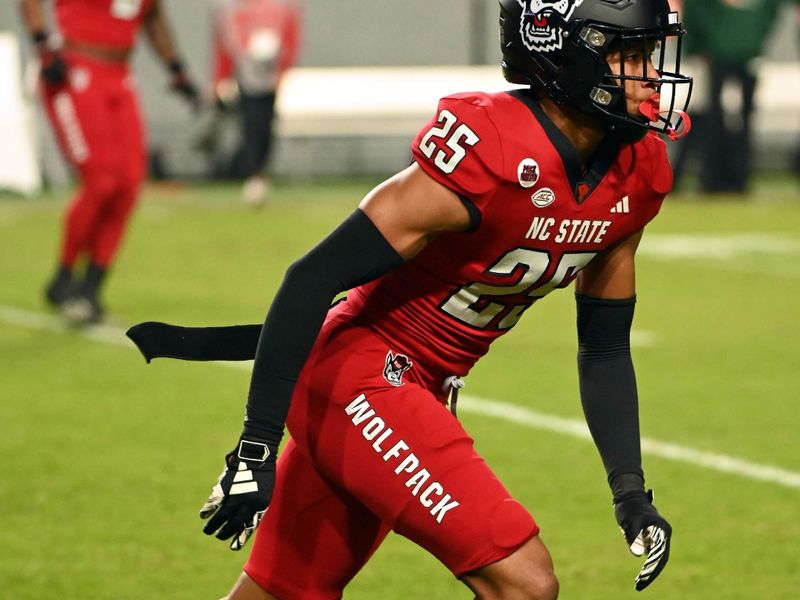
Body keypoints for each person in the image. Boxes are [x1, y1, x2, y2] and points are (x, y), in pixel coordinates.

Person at [128, 1, 692, 597]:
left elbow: (604, 347)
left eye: (649, 54)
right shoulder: (495, 149)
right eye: (627, 54)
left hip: (418, 387)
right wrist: (255, 445)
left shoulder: (638, 171)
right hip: (364, 376)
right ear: (563, 49)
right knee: (525, 583)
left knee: (281, 594)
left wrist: (630, 491)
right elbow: (311, 278)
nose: (650, 75)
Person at [20, 0, 199, 326]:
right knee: (101, 181)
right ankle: (63, 276)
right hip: (75, 67)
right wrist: (41, 44)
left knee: (129, 183)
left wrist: (176, 68)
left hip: (119, 74)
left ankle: (90, 288)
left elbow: (153, 16)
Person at [678, 0, 793, 193]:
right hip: (714, 59)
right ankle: (713, 177)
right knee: (712, 117)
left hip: (742, 57)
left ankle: (736, 178)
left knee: (740, 119)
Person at [210, 0, 301, 206]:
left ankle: (259, 174)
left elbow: (291, 37)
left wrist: (282, 70)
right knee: (250, 125)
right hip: (245, 76)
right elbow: (224, 44)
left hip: (269, 78)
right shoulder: (230, 9)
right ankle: (254, 176)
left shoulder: (280, 7)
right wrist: (220, 78)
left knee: (265, 126)